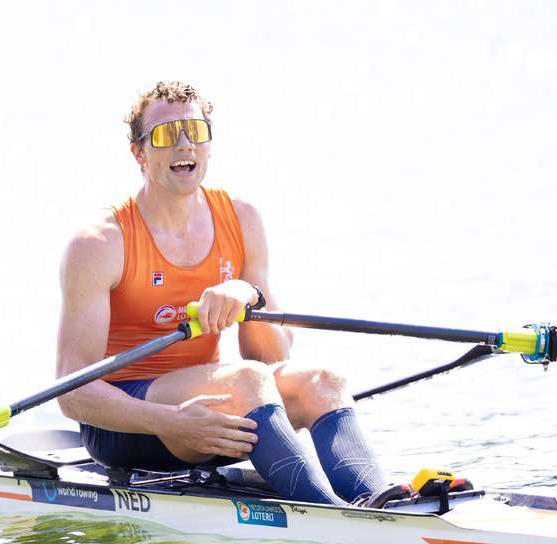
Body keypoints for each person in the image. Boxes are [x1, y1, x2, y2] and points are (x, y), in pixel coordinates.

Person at [56, 81, 387, 506]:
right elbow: (73, 392)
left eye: (194, 131)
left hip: (214, 402)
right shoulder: (100, 243)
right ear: (139, 153)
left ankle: (380, 502)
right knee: (246, 381)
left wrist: (247, 294)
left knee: (323, 381)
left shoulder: (241, 219)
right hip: (128, 422)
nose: (183, 145)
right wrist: (172, 422)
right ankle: (330, 513)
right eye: (165, 134)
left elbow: (269, 358)